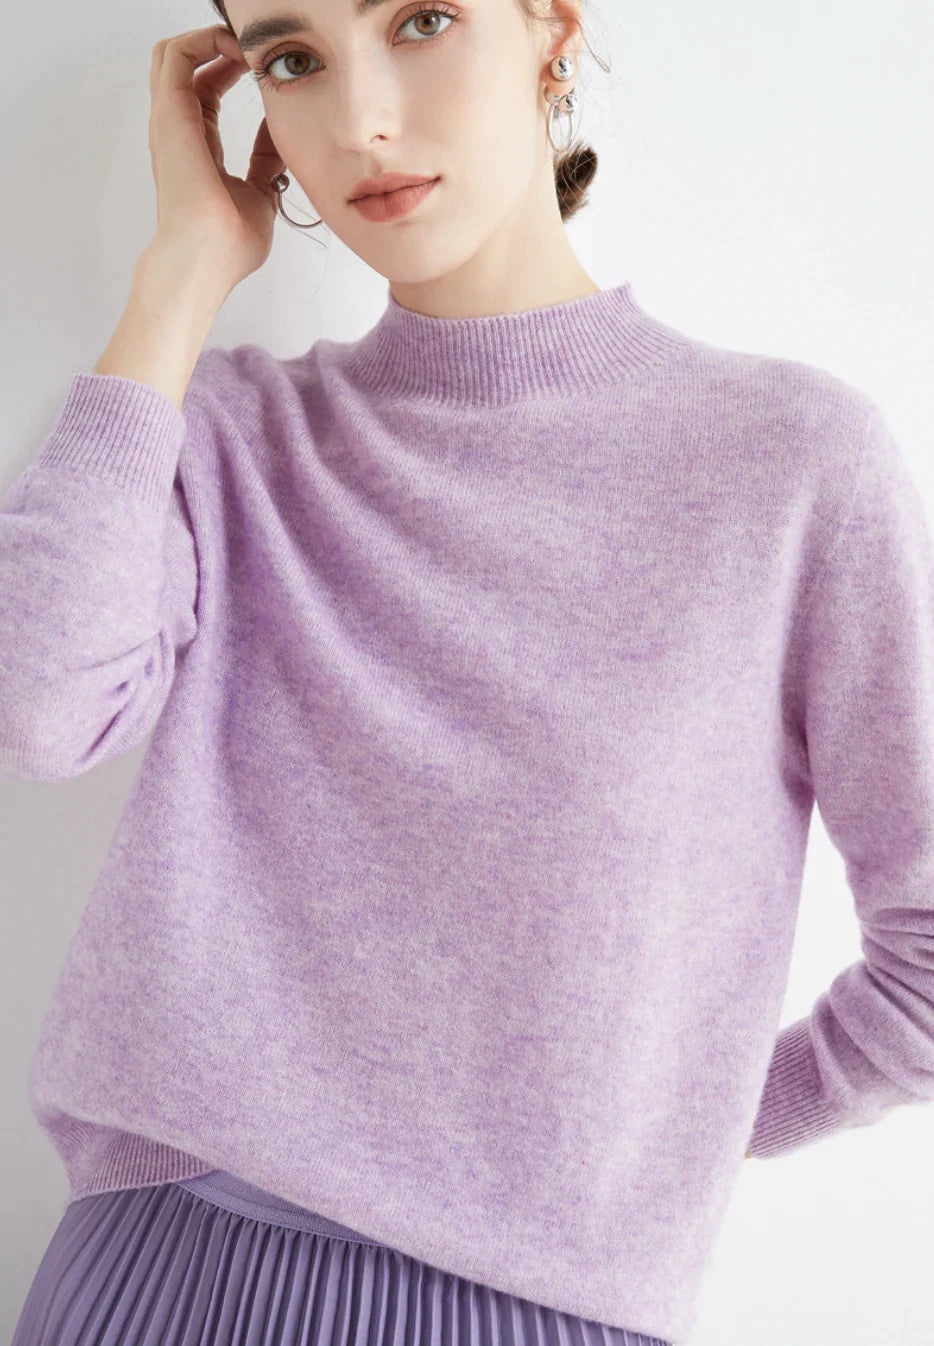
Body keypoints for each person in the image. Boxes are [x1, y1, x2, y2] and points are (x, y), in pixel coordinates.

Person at [4, 2, 933, 1344]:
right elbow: (40, 707)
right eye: (291, 59)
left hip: (539, 1310)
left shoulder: (789, 466)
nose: (359, 119)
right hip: (157, 1275)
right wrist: (182, 274)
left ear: (550, 27)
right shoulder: (224, 433)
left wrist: (668, 1128)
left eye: (422, 20)